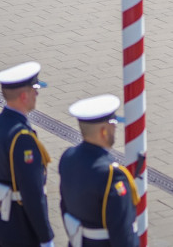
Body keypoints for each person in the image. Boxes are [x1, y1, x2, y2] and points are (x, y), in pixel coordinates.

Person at [0, 62, 53, 247]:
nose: (37, 94)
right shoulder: (23, 138)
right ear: (24, 96)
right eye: (34, 90)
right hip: (19, 228)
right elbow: (32, 193)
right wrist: (45, 236)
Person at [58, 94, 139, 247]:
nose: (115, 129)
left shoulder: (68, 158)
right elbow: (122, 232)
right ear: (103, 131)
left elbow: (64, 207)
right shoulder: (112, 175)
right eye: (113, 124)